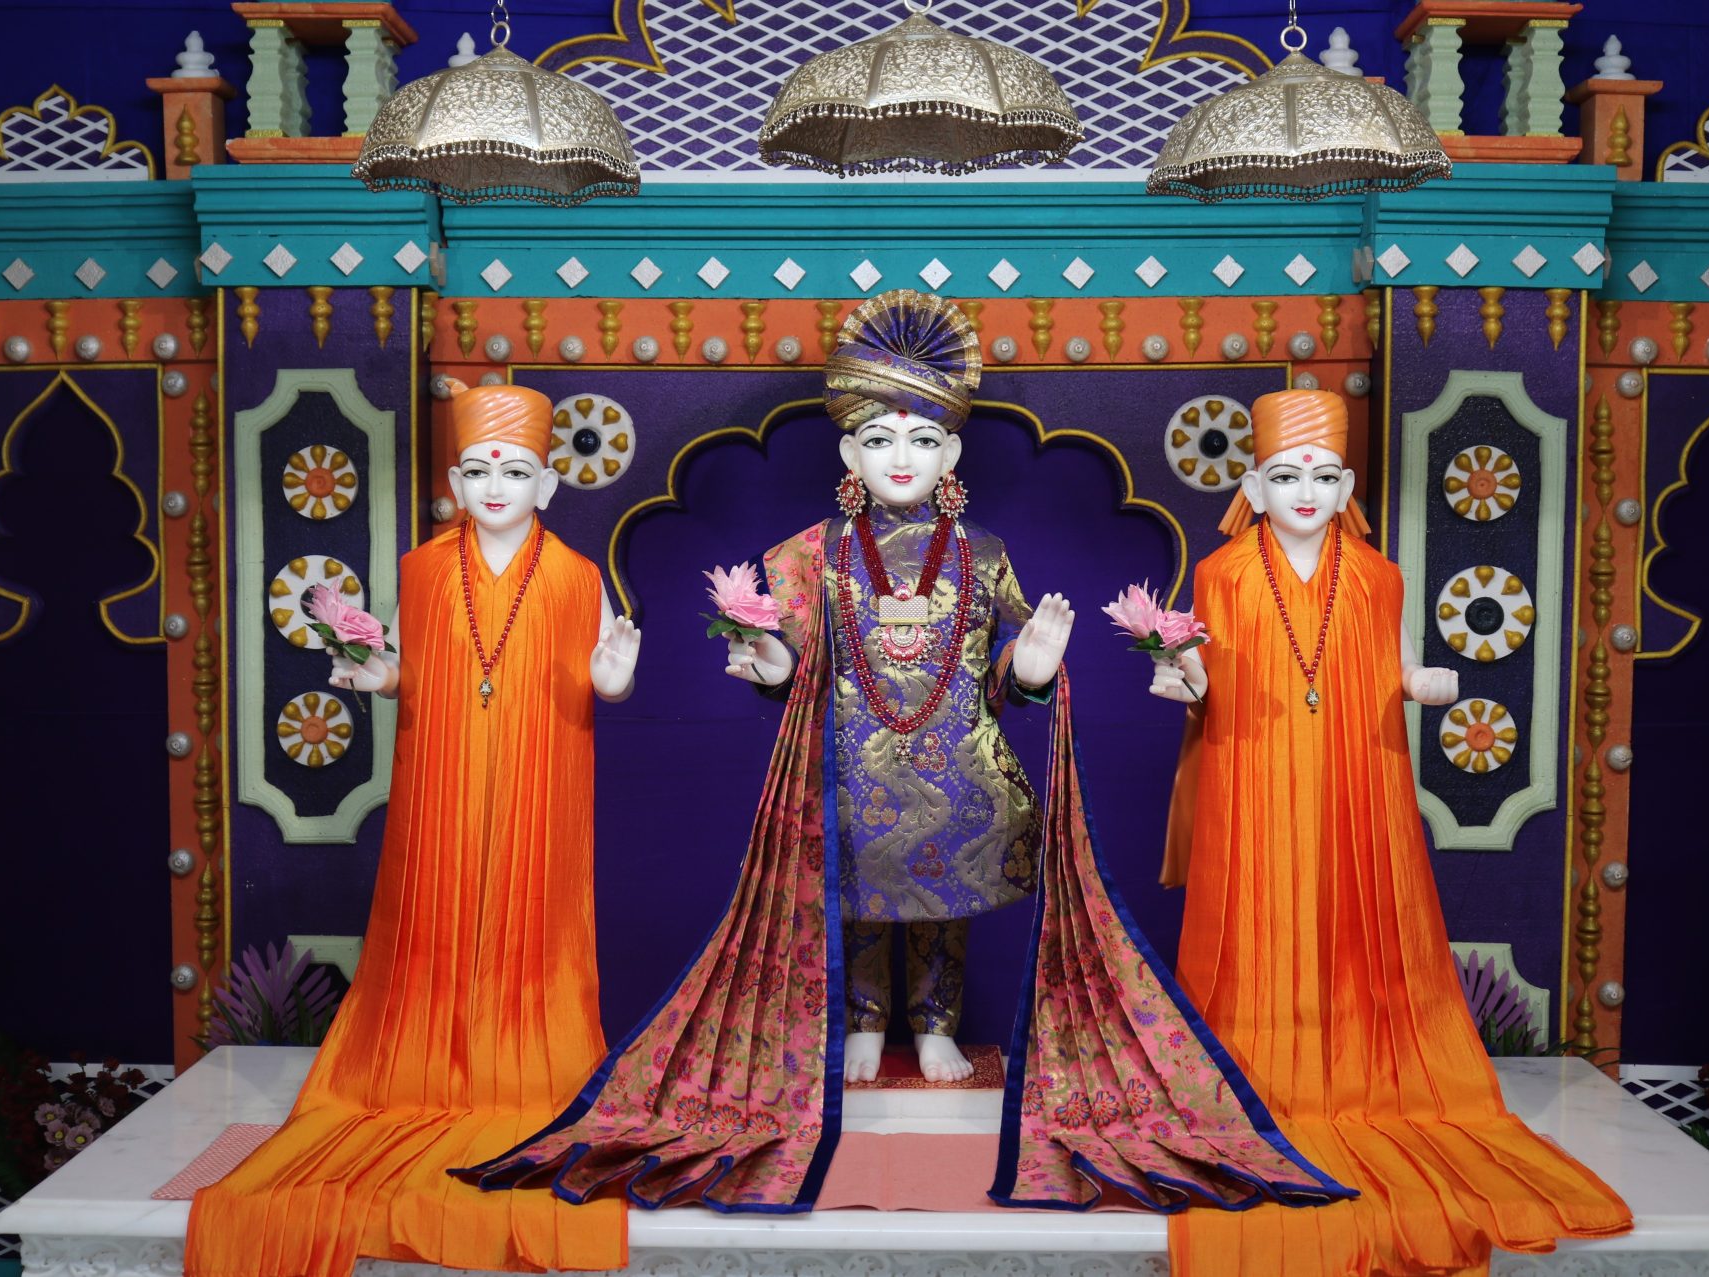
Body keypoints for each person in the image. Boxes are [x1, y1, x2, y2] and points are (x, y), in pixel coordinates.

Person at [457, 292, 1358, 1219]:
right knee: (855, 896)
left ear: (953, 456)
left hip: (962, 769)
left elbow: (1007, 674)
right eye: (881, 441)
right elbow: (789, 669)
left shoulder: (985, 554)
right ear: (848, 455)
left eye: (924, 441)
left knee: (944, 894)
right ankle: (862, 1022)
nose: (901, 459)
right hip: (843, 765)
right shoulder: (808, 556)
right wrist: (764, 653)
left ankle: (933, 1027)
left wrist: (1035, 665)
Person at [1150, 388, 1631, 1275]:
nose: (1305, 490)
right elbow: (1201, 673)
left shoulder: (1377, 575)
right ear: (1253, 486)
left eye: (1324, 476)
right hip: (1249, 766)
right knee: (1258, 910)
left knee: (1347, 911)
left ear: (1346, 488)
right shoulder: (1221, 572)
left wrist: (1422, 684)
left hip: (1352, 768)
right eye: (1287, 475)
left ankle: (1362, 1068)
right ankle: (1255, 1072)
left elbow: (1400, 661)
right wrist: (1178, 677)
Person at [186, 382, 641, 1277]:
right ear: (454, 483)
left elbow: (602, 682)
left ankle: (523, 1068)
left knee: (532, 910)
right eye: (477, 471)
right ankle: (423, 1062)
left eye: (514, 470)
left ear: (548, 484)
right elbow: (403, 666)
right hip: (439, 773)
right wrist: (373, 671)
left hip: (541, 773)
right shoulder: (424, 568)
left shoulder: (579, 574)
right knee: (432, 913)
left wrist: (614, 674)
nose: (496, 485)